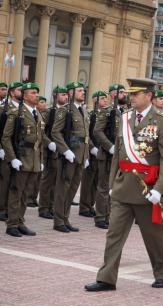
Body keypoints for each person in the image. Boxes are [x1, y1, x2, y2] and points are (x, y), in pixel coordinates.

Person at [85, 78, 163, 291]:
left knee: (154, 237)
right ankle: (106, 278)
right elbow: (118, 153)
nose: (131, 97)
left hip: (147, 189)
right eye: (131, 94)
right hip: (123, 186)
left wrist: (159, 189)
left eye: (136, 94)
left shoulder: (162, 121)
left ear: (149, 96)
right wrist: (111, 183)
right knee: (114, 234)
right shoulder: (125, 118)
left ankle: (162, 272)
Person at [2, 82, 44, 237]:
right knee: (16, 192)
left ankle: (20, 221)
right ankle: (12, 224)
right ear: (25, 96)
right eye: (33, 93)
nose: (36, 95)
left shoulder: (37, 113)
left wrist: (40, 159)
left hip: (33, 160)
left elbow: (39, 139)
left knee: (26, 193)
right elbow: (6, 138)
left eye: (36, 92)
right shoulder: (16, 113)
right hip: (21, 158)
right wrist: (12, 158)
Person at [51, 81, 90, 233]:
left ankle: (65, 218)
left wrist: (86, 155)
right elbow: (55, 132)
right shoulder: (65, 110)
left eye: (83, 90)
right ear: (72, 92)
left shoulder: (84, 111)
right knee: (63, 188)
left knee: (73, 188)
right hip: (69, 155)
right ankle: (58, 220)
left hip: (81, 155)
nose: (83, 93)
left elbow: (85, 135)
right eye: (80, 90)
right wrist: (65, 150)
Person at [93, 84, 126, 229]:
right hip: (107, 155)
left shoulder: (125, 112)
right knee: (104, 187)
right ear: (113, 94)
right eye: (121, 92)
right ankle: (100, 217)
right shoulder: (107, 112)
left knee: (115, 187)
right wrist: (109, 147)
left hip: (119, 155)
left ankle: (109, 215)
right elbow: (97, 131)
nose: (124, 95)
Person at [38, 86, 68, 219]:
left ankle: (51, 206)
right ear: (56, 96)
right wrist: (49, 143)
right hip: (49, 150)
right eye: (63, 94)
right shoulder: (49, 112)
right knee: (47, 180)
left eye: (66, 94)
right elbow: (41, 132)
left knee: (56, 181)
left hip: (59, 150)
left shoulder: (66, 111)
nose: (66, 97)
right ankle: (43, 208)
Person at [79, 91, 107, 217]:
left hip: (100, 151)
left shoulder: (105, 114)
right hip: (91, 151)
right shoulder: (91, 115)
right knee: (87, 181)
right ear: (95, 100)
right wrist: (92, 148)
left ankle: (90, 204)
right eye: (102, 98)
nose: (105, 101)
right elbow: (88, 134)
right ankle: (84, 207)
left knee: (96, 181)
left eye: (105, 99)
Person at [0, 82, 23, 221]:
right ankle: (2, 208)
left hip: (18, 150)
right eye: (19, 90)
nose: (22, 93)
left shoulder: (23, 109)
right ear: (12, 93)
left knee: (15, 181)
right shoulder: (4, 109)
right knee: (5, 180)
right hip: (5, 148)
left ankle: (10, 208)